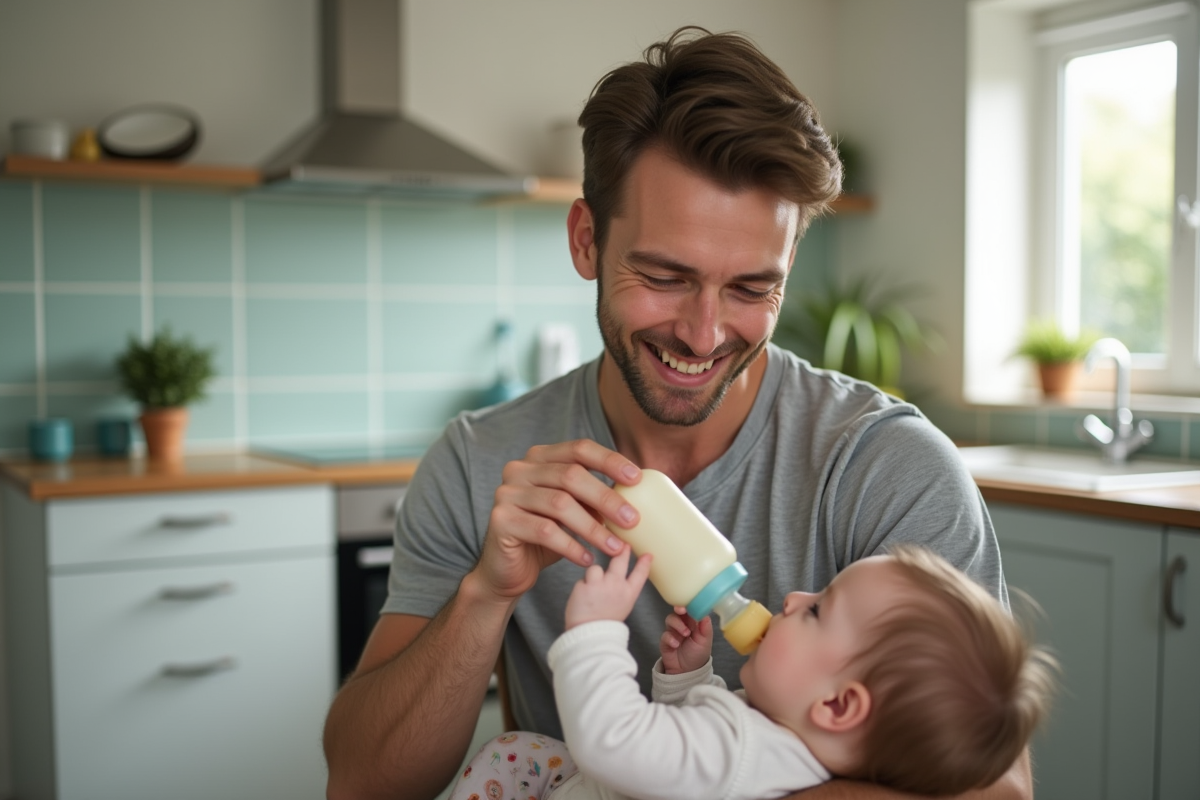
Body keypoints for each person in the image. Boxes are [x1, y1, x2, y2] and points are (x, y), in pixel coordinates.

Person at [323, 25, 1032, 800]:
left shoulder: (885, 467)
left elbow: (994, 794)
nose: (704, 333)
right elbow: (363, 784)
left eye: (752, 288)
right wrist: (485, 597)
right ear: (587, 241)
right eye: (665, 275)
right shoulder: (479, 464)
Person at [448, 544, 1056, 800]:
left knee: (507, 754)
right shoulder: (773, 743)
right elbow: (691, 749)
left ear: (838, 706)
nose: (792, 598)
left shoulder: (742, 751)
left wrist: (593, 633)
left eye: (817, 610)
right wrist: (689, 679)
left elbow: (615, 743)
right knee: (521, 752)